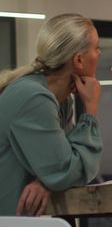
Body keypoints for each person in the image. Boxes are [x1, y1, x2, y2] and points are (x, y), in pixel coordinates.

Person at [0, 13, 103, 216]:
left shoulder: (60, 100)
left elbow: (62, 166)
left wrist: (46, 181)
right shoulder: (33, 98)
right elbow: (68, 170)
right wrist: (90, 109)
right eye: (96, 47)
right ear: (79, 60)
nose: (99, 53)